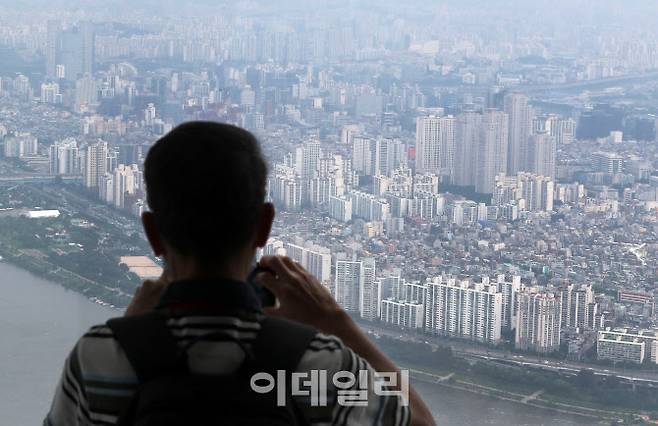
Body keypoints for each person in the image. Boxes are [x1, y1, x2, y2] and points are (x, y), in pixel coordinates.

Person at [44, 121, 435, 426]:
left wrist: (131, 329)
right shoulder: (312, 367)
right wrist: (336, 323)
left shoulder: (101, 357)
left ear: (151, 232)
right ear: (264, 226)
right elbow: (419, 423)